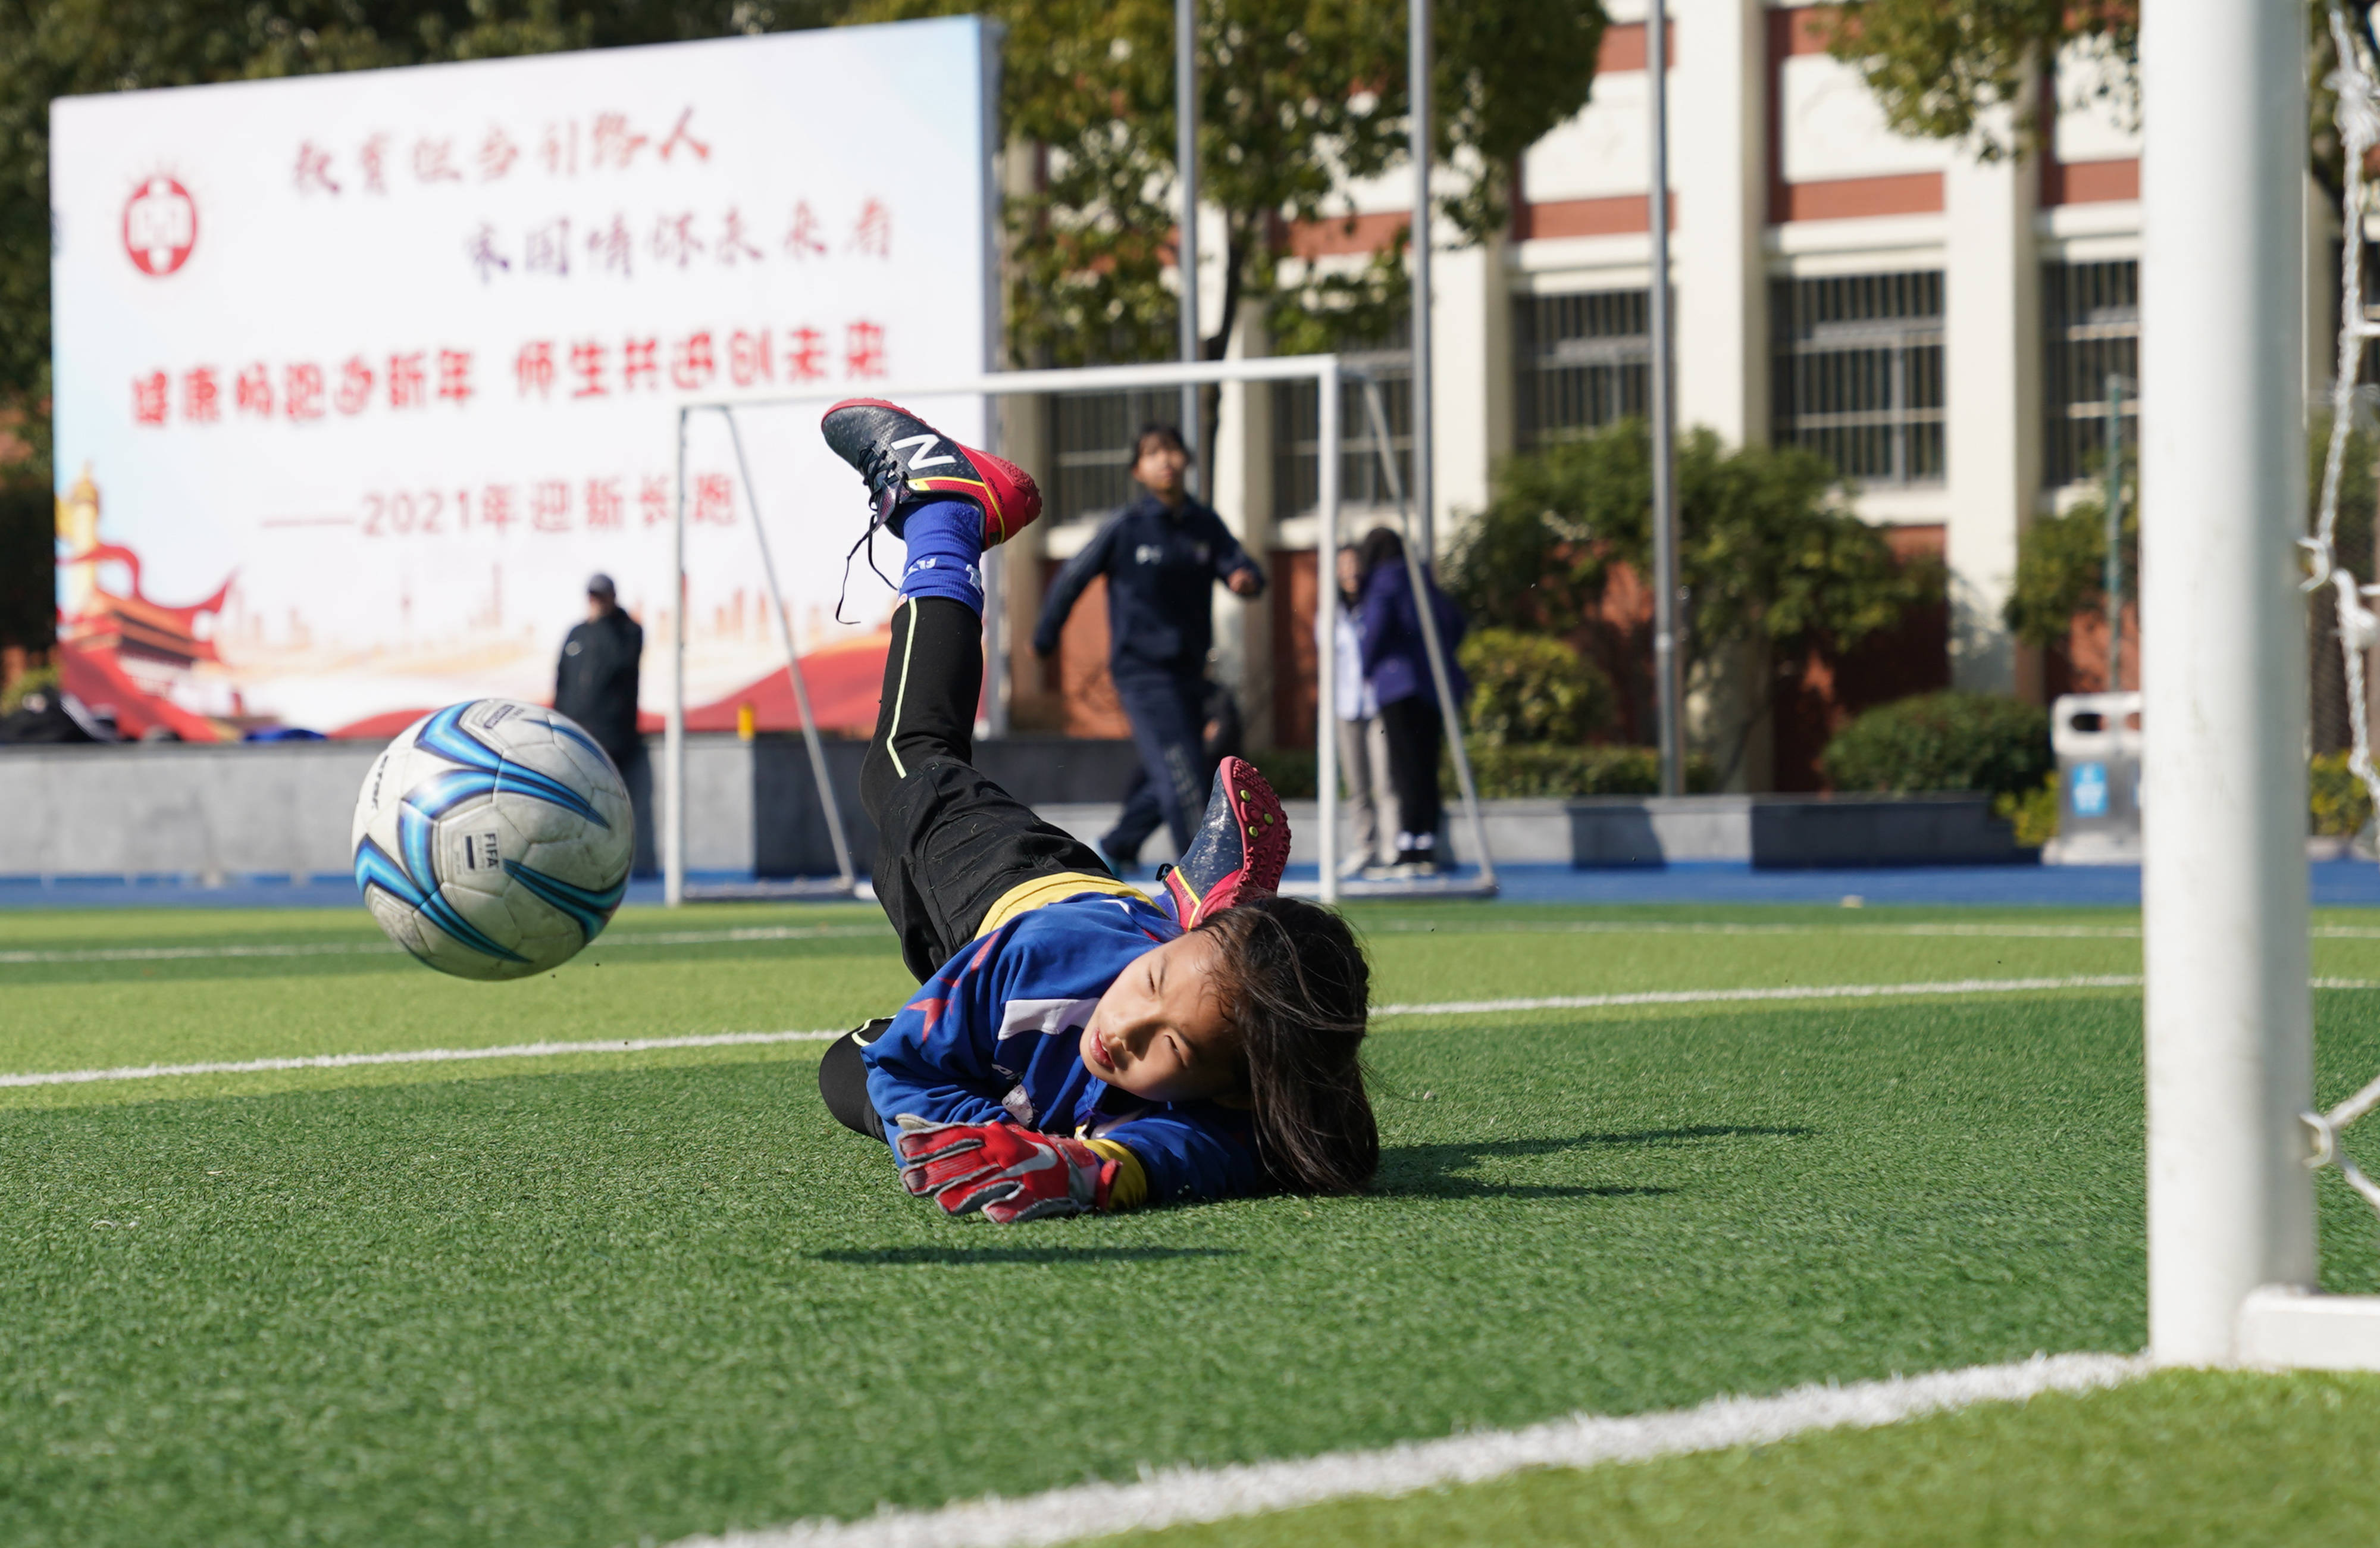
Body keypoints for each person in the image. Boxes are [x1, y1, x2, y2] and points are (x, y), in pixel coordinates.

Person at [811, 398, 1376, 1222]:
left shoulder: (1222, 1114)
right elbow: (907, 1074)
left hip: (1074, 907)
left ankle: (1173, 906)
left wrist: (1086, 1166)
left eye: (1169, 1049)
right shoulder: (1042, 964)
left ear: (1226, 1088)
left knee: (843, 1063)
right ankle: (946, 511)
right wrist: (1003, 1141)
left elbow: (1209, 1154)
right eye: (1149, 986)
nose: (1126, 1028)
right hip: (1014, 894)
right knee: (906, 761)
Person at [1031, 424, 1265, 874]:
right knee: (1184, 774)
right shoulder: (1127, 527)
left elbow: (1241, 564)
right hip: (1143, 673)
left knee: (1204, 753)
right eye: (1154, 453)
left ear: (1187, 460)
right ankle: (1206, 876)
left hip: (1191, 672)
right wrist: (1045, 637)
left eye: (1173, 450)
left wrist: (1245, 578)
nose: (1166, 460)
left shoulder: (1203, 524)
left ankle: (1117, 843)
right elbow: (1073, 577)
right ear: (1139, 470)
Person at [1355, 526, 1468, 878]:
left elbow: (1375, 627)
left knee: (1403, 766)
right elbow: (1456, 621)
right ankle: (1426, 842)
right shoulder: (1422, 579)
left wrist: (1367, 664)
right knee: (1426, 765)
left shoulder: (1383, 581)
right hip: (1432, 685)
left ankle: (1407, 846)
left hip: (1397, 684)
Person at [553, 574, 654, 877]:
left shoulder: (627, 632)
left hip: (612, 738)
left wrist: (605, 624)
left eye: (601, 596)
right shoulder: (576, 633)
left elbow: (619, 665)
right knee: (571, 805)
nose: (595, 603)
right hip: (574, 736)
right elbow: (562, 681)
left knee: (609, 808)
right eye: (592, 596)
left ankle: (613, 869)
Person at [1332, 545, 1396, 877]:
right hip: (1346, 707)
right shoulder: (1331, 613)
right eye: (1343, 565)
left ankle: (1391, 849)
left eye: (1355, 564)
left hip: (1376, 705)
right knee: (1357, 785)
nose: (1350, 572)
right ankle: (1365, 847)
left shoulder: (1375, 605)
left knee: (1384, 781)